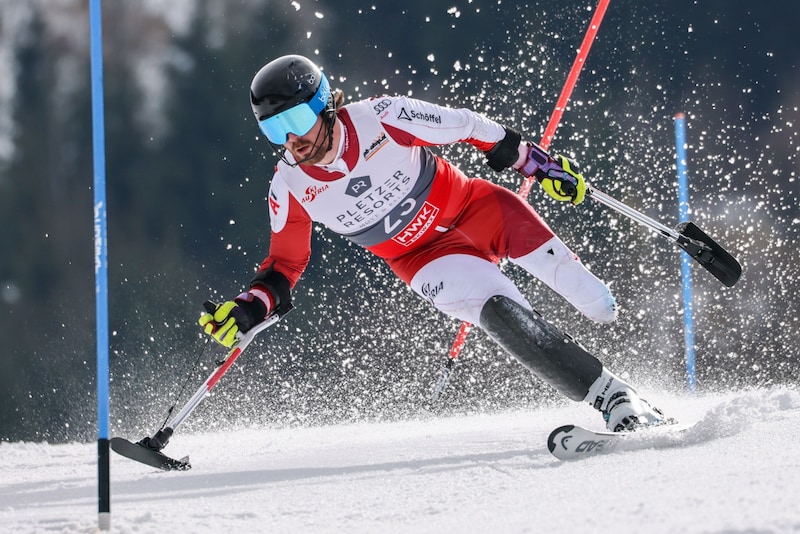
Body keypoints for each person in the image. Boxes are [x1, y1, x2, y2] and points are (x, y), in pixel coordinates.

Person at [199, 54, 667, 432]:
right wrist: (250, 306)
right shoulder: (289, 186)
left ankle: (645, 387)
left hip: (481, 212)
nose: (293, 139)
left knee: (599, 304)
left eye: (297, 119)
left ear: (324, 105)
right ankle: (612, 397)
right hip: (425, 261)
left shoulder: (381, 118)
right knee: (505, 313)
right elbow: (284, 266)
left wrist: (536, 165)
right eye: (274, 130)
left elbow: (466, 125)